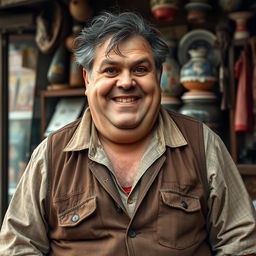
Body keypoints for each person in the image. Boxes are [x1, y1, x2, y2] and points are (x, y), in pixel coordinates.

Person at [0, 11, 256, 256]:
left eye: (140, 69)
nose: (126, 82)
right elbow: (18, 246)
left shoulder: (202, 143)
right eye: (111, 70)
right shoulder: (51, 155)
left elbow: (241, 242)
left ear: (159, 76)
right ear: (88, 80)